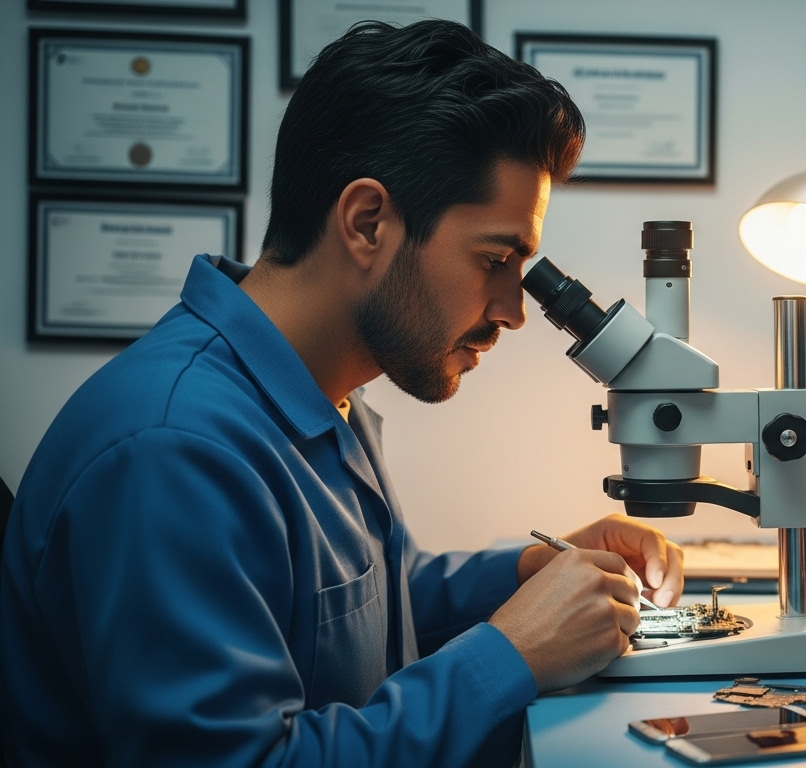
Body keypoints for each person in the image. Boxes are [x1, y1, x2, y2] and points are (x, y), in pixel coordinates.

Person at [0, 21, 684, 766]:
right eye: (496, 259)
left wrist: (529, 573)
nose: (513, 311)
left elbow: (367, 606)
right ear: (367, 223)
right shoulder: (172, 452)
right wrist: (508, 656)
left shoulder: (317, 394)